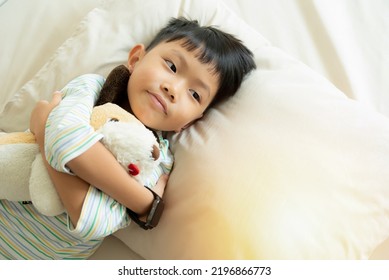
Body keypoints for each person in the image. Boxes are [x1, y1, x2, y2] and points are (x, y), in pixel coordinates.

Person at [0, 17, 256, 259]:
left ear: (190, 122)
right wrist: (138, 199)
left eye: (195, 94)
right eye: (172, 66)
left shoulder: (157, 159)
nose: (173, 89)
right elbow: (65, 142)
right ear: (135, 59)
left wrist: (45, 127)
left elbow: (92, 221)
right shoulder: (92, 90)